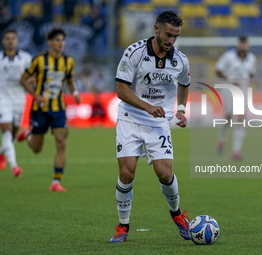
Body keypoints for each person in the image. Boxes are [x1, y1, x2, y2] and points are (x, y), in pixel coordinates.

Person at [110, 11, 190, 243]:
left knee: (165, 174)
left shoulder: (181, 60)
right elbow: (121, 90)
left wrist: (182, 109)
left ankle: (176, 214)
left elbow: (184, 83)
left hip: (158, 121)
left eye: (175, 37)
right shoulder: (134, 52)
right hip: (131, 118)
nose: (171, 41)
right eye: (167, 35)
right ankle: (123, 227)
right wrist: (146, 106)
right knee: (126, 173)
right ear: (156, 29)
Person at [18, 27, 81, 192]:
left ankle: (56, 182)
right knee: (37, 149)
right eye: (57, 40)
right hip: (39, 108)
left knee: (61, 142)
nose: (60, 43)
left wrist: (74, 92)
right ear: (49, 42)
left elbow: (69, 80)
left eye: (62, 40)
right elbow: (23, 79)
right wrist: (36, 95)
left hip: (58, 108)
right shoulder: (39, 60)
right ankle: (28, 135)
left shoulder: (69, 61)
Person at [215, 36, 257, 160]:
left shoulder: (251, 58)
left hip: (242, 89)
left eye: (245, 44)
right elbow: (218, 70)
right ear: (238, 44)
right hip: (228, 88)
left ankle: (236, 151)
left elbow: (252, 73)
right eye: (241, 44)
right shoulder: (228, 56)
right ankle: (222, 139)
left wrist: (254, 80)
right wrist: (231, 79)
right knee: (228, 116)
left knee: (241, 118)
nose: (243, 46)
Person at [0, 29, 32, 177]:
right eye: (7, 38)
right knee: (6, 132)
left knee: (12, 135)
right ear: (3, 41)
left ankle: (2, 152)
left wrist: (27, 81)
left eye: (13, 38)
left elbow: (35, 75)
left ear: (17, 41)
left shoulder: (25, 58)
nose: (10, 41)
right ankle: (15, 167)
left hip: (19, 100)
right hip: (3, 100)